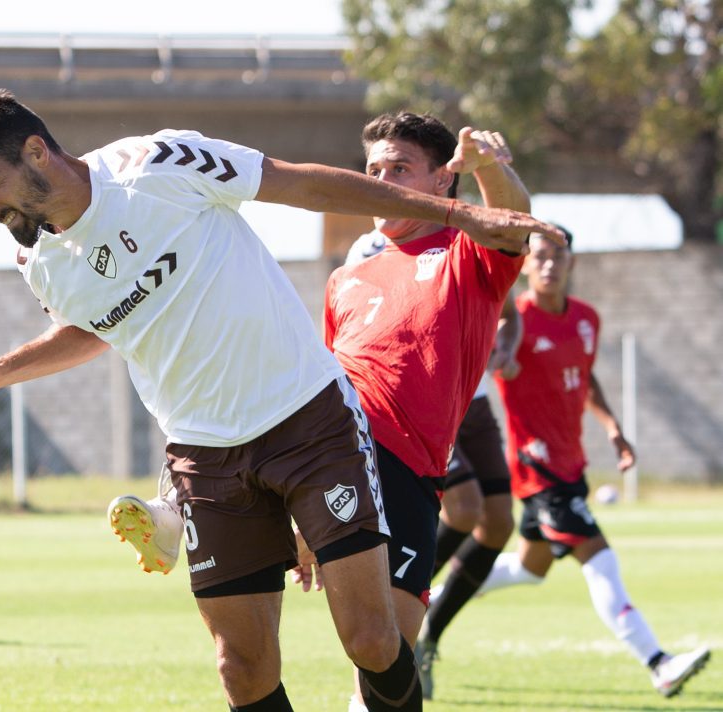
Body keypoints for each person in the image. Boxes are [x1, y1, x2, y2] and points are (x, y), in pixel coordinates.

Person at [0, 89, 563, 711]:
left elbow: (302, 185)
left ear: (35, 152)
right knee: (242, 668)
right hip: (203, 457)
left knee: (372, 640)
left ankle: (172, 517)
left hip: (307, 422)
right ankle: (172, 506)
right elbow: (93, 329)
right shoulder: (41, 264)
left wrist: (456, 214)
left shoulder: (159, 164)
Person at [294, 112, 533, 712]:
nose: (381, 180)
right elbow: (326, 387)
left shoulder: (465, 253)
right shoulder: (346, 278)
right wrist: (302, 512)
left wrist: (488, 169)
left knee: (385, 653)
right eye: (373, 170)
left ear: (440, 184)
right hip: (338, 456)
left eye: (399, 168)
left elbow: (511, 223)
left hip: (410, 472)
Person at [474, 228, 711, 698]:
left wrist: (612, 427)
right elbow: (483, 363)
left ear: (572, 262)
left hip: (570, 463)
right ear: (523, 265)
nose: (549, 264)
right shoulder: (513, 321)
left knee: (528, 568)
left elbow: (584, 378)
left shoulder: (586, 319)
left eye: (558, 255)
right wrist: (499, 361)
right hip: (536, 467)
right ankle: (658, 662)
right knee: (599, 556)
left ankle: (427, 603)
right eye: (539, 256)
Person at [413, 293, 521, 699]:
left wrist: (506, 349)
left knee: (498, 524)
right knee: (464, 510)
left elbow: (510, 313)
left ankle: (429, 636)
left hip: (475, 404)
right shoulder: (371, 251)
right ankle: (396, 597)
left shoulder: (472, 248)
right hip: (433, 402)